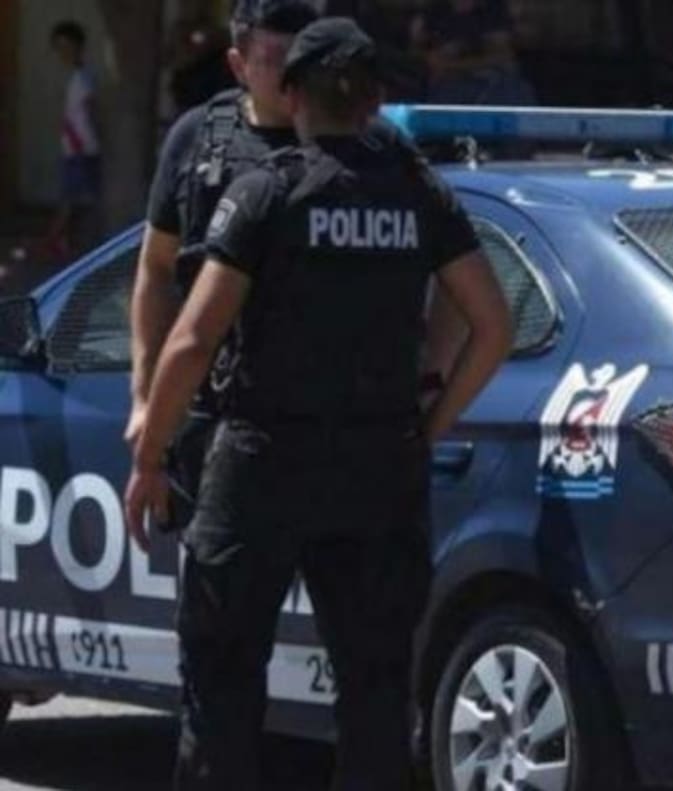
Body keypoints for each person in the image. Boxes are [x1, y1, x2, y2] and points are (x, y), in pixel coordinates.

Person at [123, 16, 513, 790]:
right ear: (373, 102)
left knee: (223, 686)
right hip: (378, 468)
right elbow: (493, 324)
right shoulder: (415, 188)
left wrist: (149, 451)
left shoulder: (267, 191)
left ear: (293, 95)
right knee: (374, 692)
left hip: (263, 463)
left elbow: (194, 338)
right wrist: (426, 423)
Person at [127, 0, 319, 531]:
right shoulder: (197, 139)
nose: (292, 74)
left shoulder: (352, 144)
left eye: (304, 57)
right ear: (238, 65)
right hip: (219, 416)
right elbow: (155, 269)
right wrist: (145, 402)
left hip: (327, 424)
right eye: (274, 59)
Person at [48, 20, 103, 258]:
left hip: (82, 147)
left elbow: (89, 112)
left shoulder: (83, 77)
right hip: (73, 146)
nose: (62, 53)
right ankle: (61, 241)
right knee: (72, 197)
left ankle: (55, 240)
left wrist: (85, 143)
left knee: (74, 199)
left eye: (66, 46)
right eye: (58, 47)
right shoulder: (74, 77)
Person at [410, 0, 535, 105]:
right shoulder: (434, 12)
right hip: (449, 88)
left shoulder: (494, 9)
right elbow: (431, 60)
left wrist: (455, 64)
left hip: (494, 84)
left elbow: (503, 57)